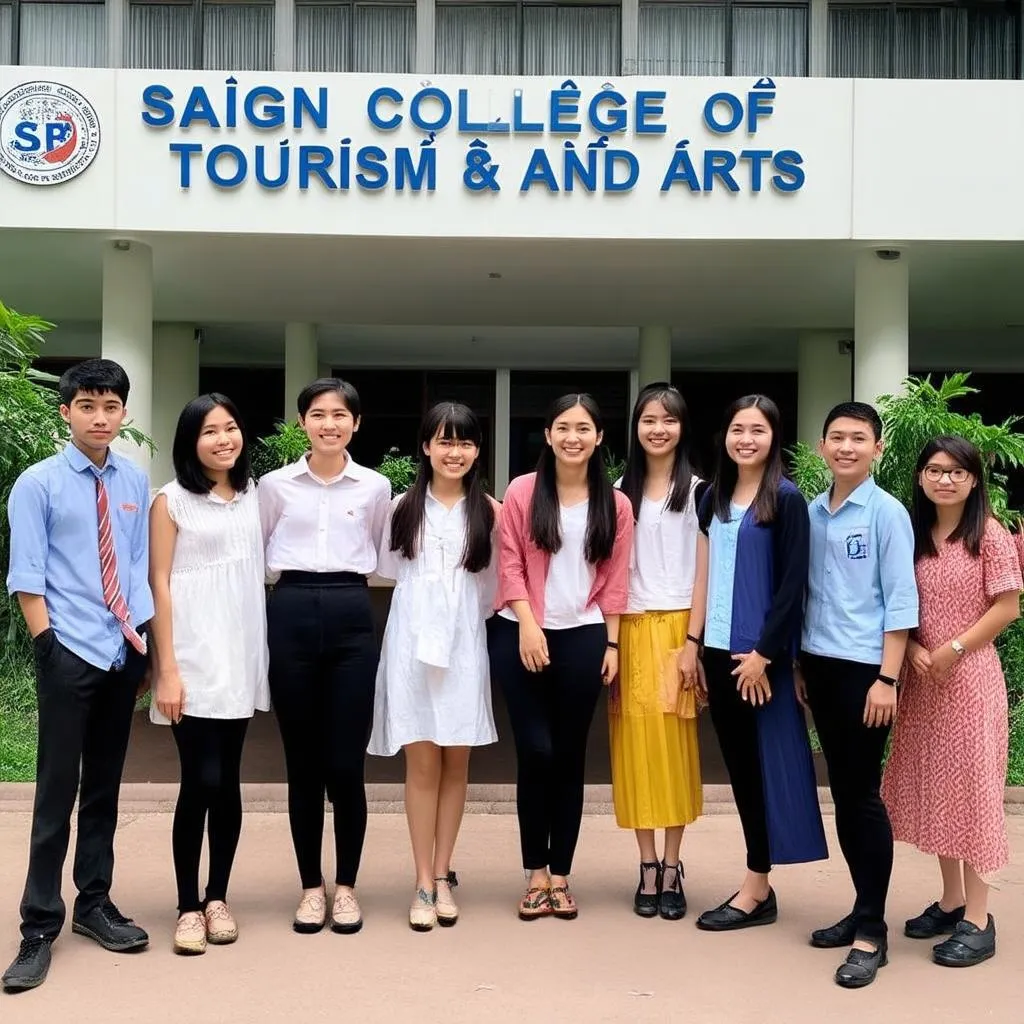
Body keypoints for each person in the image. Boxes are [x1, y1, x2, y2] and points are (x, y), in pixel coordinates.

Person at [3, 359, 152, 993]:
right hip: (68, 653)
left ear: (123, 413)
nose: (99, 416)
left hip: (121, 651)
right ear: (66, 412)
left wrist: (144, 645)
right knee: (55, 793)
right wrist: (49, 647)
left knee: (104, 791)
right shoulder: (36, 484)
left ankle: (94, 904)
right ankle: (38, 926)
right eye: (87, 405)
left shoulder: (135, 480)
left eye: (110, 405)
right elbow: (26, 577)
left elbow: (139, 563)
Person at [489, 393, 633, 922]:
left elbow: (617, 580)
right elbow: (509, 564)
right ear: (548, 436)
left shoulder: (615, 504)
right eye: (563, 427)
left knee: (570, 756)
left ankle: (562, 876)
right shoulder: (524, 491)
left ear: (598, 438)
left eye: (584, 428)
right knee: (536, 752)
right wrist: (527, 623)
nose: (573, 437)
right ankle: (534, 874)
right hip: (520, 632)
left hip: (584, 638)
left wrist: (612, 643)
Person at [687, 395, 827, 936]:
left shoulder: (787, 500)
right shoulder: (712, 497)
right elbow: (703, 575)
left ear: (774, 438)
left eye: (758, 430)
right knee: (743, 771)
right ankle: (759, 883)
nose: (746, 439)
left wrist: (767, 656)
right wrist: (693, 644)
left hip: (757, 659)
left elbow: (794, 587)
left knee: (772, 768)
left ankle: (756, 885)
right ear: (725, 435)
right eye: (738, 428)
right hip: (720, 655)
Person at [882, 436, 1021, 968]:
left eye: (957, 472)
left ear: (973, 480)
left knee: (973, 793)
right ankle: (951, 899)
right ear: (919, 477)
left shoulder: (989, 533)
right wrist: (916, 647)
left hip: (969, 682)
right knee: (937, 789)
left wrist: (953, 648)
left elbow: (1008, 607)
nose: (945, 479)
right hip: (922, 680)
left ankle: (980, 918)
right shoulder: (913, 535)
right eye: (935, 470)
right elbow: (896, 601)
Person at [258, 378, 390, 935]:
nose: (329, 424)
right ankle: (311, 887)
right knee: (303, 765)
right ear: (302, 422)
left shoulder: (375, 487)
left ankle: (348, 888)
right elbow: (262, 555)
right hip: (289, 610)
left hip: (351, 614)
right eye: (318, 414)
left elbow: (383, 558)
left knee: (345, 764)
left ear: (355, 424)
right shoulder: (274, 485)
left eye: (340, 415)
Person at [799, 401, 919, 989]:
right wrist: (800, 662)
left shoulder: (887, 513)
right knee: (844, 793)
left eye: (859, 438)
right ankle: (859, 907)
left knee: (863, 795)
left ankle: (873, 930)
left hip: (865, 674)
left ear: (876, 449)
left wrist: (887, 679)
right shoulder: (814, 512)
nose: (846, 447)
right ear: (822, 447)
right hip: (819, 665)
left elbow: (900, 601)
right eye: (837, 438)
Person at [368, 402, 500, 931]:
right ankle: (422, 879)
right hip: (412, 646)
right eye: (444, 441)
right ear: (426, 446)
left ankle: (444, 873)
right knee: (421, 763)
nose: (455, 452)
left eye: (465, 442)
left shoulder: (489, 510)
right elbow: (387, 572)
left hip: (466, 643)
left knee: (457, 763)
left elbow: (491, 589)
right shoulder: (401, 507)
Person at [148, 394, 270, 956]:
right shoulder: (170, 501)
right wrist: (165, 668)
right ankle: (187, 906)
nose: (224, 439)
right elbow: (160, 583)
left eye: (231, 427)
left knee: (230, 782)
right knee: (200, 780)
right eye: (210, 431)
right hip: (192, 660)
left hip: (240, 655)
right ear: (189, 441)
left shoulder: (253, 496)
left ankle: (218, 896)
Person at [609, 382, 704, 920]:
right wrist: (614, 642)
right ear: (636, 427)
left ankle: (673, 864)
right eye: (648, 419)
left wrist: (693, 642)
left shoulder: (700, 492)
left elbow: (704, 573)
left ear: (681, 427)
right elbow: (613, 573)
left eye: (668, 420)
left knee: (675, 750)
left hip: (678, 635)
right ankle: (646, 865)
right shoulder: (620, 491)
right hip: (632, 628)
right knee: (634, 748)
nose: (658, 429)